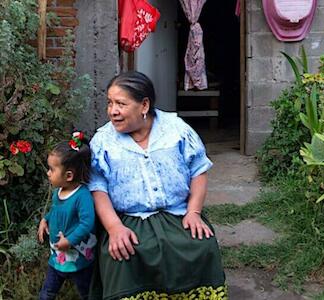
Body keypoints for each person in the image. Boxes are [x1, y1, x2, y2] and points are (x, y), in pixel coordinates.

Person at [88, 71, 226, 299]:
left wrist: (194, 212)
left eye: (121, 104)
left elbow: (198, 170)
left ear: (144, 105)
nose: (113, 111)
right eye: (110, 103)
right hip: (128, 219)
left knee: (202, 246)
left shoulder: (176, 129)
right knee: (124, 255)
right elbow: (97, 187)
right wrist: (114, 229)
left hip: (177, 214)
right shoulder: (103, 140)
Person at [37, 132, 97, 300]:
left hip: (79, 259)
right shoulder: (59, 192)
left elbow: (87, 223)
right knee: (47, 292)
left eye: (52, 169)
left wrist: (70, 240)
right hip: (57, 256)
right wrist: (45, 219)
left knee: (86, 292)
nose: (48, 173)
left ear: (69, 175)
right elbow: (56, 209)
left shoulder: (82, 196)